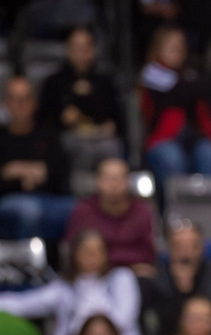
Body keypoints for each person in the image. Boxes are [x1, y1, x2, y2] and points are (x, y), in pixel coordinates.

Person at [0, 228, 146, 335]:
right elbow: (24, 304)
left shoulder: (121, 278)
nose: (93, 256)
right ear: (75, 254)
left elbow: (123, 319)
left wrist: (87, 331)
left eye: (98, 251)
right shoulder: (64, 288)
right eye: (88, 251)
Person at [138, 25, 211, 207]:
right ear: (159, 48)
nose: (179, 50)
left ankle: (205, 218)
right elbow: (182, 91)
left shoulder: (191, 73)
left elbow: (210, 92)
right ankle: (174, 218)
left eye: (181, 45)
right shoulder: (152, 73)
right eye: (172, 46)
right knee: (172, 159)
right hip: (164, 139)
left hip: (196, 138)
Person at [37, 26, 127, 164]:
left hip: (101, 137)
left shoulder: (105, 81)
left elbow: (118, 117)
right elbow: (43, 118)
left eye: (86, 46)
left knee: (112, 147)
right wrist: (61, 116)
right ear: (68, 50)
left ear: (93, 50)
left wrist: (111, 125)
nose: (82, 52)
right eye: (76, 47)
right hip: (68, 136)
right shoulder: (54, 82)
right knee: (69, 147)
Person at [0, 76, 75, 241]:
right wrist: (30, 174)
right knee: (29, 210)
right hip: (9, 200)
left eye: (25, 99)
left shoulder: (49, 134)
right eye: (15, 99)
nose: (20, 105)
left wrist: (15, 170)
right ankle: (27, 265)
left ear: (34, 102)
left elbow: (60, 173)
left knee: (79, 209)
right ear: (6, 103)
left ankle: (65, 264)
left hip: (48, 199)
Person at [140, 219, 211, 335]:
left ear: (202, 248)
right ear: (169, 249)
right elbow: (154, 328)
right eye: (179, 246)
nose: (186, 253)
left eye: (193, 246)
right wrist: (180, 292)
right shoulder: (156, 279)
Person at [64, 158, 157, 275]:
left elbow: (148, 252)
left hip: (134, 274)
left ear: (128, 182)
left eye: (118, 178)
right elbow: (73, 252)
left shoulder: (143, 211)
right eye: (107, 178)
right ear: (97, 181)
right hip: (92, 275)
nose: (113, 184)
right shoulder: (83, 211)